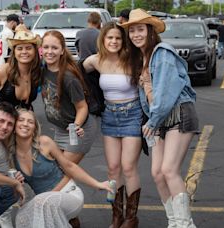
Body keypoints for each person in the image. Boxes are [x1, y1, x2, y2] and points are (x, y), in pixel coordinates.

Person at [122, 9, 199, 228]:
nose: (136, 34)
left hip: (178, 114)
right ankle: (174, 221)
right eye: (132, 31)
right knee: (157, 173)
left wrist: (152, 122)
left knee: (169, 170)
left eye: (140, 30)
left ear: (150, 31)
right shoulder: (141, 58)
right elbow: (150, 98)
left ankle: (185, 224)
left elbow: (165, 95)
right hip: (159, 119)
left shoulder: (162, 53)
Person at [82, 22, 143, 228]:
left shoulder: (134, 60)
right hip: (109, 116)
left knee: (128, 167)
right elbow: (75, 71)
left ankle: (131, 218)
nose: (114, 41)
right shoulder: (96, 60)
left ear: (123, 40)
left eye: (118, 38)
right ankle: (116, 217)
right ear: (103, 40)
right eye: (110, 38)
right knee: (113, 169)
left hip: (132, 115)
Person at [11, 108, 111, 227]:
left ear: (34, 129)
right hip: (45, 203)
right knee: (21, 218)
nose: (25, 124)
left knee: (43, 205)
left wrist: (97, 184)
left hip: (69, 193)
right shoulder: (11, 155)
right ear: (14, 126)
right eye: (21, 120)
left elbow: (69, 166)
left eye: (30, 122)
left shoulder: (44, 143)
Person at [41, 30, 96, 164]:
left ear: (62, 51)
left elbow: (82, 107)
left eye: (54, 48)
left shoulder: (68, 78)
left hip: (78, 131)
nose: (50, 51)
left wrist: (76, 126)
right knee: (53, 171)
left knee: (63, 172)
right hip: (60, 129)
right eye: (46, 47)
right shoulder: (43, 71)